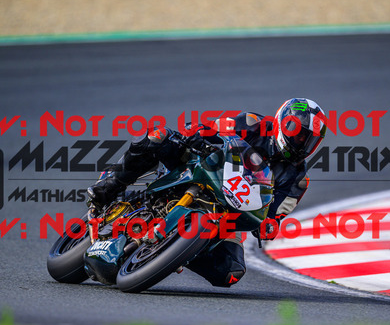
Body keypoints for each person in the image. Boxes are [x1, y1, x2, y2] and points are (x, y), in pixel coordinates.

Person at [88, 98, 327, 287]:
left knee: (230, 272)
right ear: (284, 122)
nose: (301, 142)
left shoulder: (298, 179)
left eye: (309, 140)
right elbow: (215, 128)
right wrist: (199, 133)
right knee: (156, 137)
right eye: (299, 133)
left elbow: (274, 214)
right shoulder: (252, 123)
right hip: (202, 168)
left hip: (229, 211)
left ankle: (178, 252)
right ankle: (110, 185)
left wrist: (270, 225)